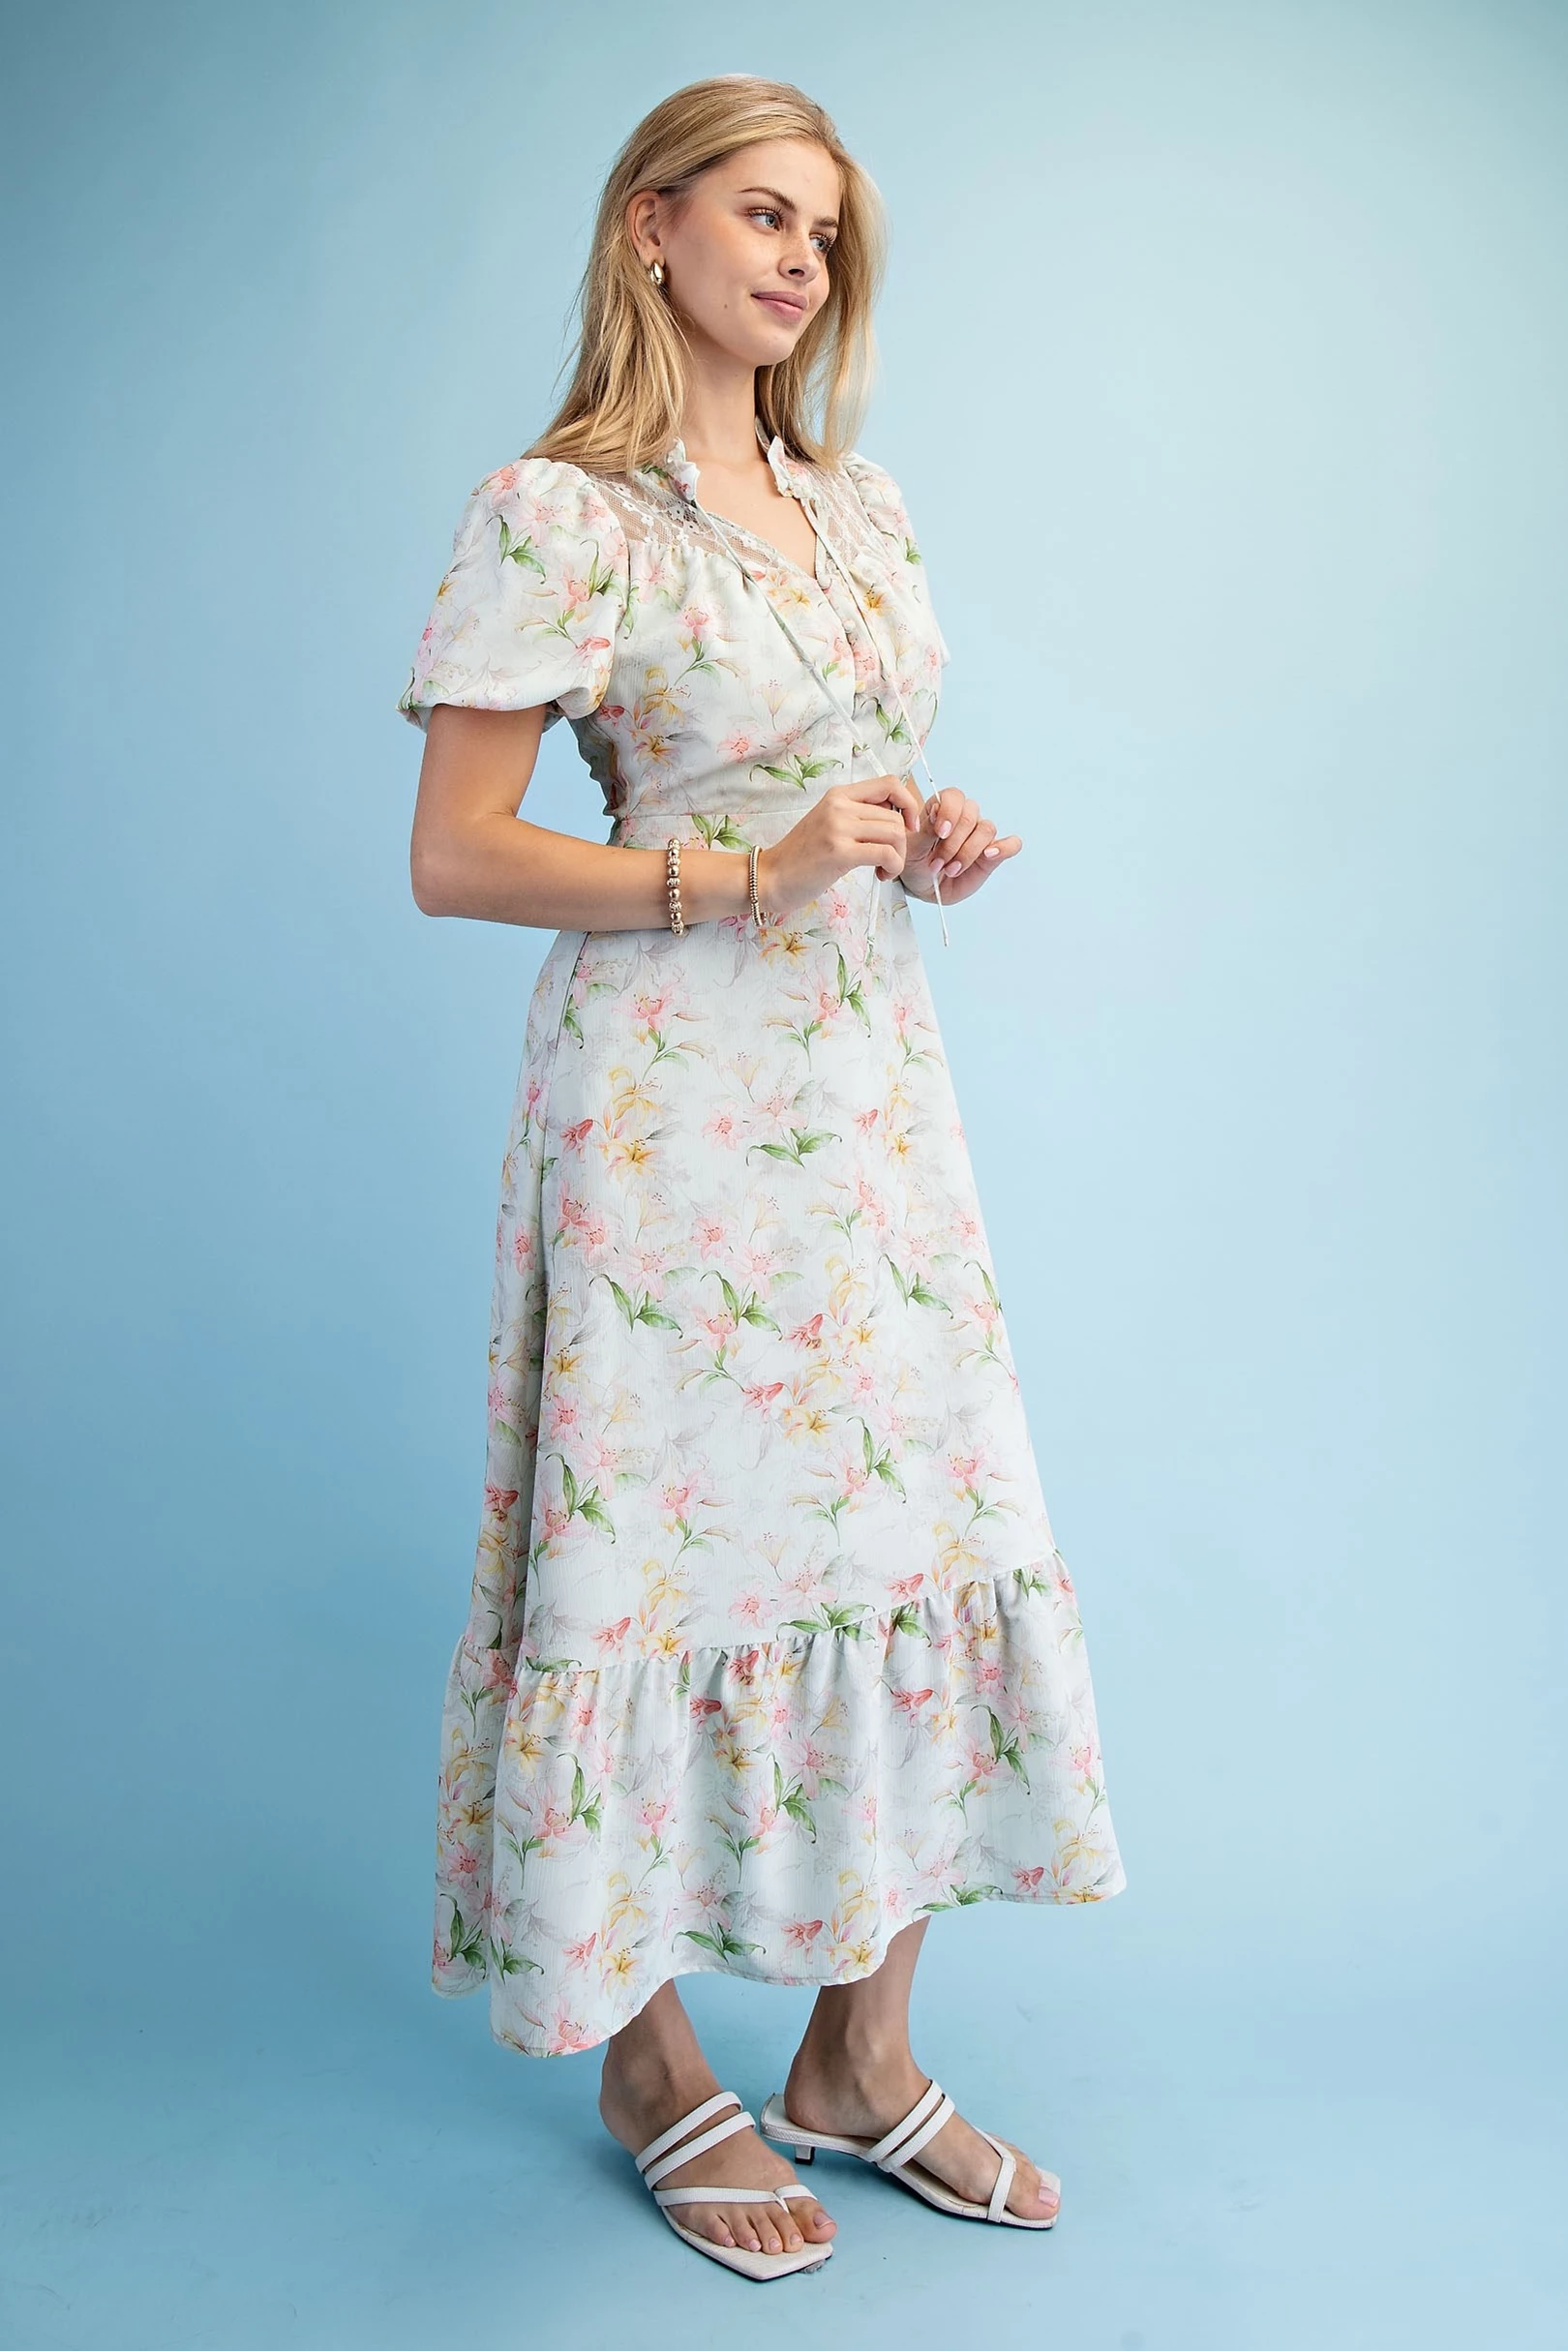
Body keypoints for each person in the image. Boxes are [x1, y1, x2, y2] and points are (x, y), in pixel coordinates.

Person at [396, 73, 1127, 2281]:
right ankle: (646, 2061)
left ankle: (858, 2057)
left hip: (867, 1085)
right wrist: (751, 869)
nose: (801, 260)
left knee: (922, 1517)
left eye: (825, 232)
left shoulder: (860, 505)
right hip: (663, 1107)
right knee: (646, 1548)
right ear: (653, 227)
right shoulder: (559, 513)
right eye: (761, 214)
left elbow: (842, 790)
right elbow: (457, 854)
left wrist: (921, 833)